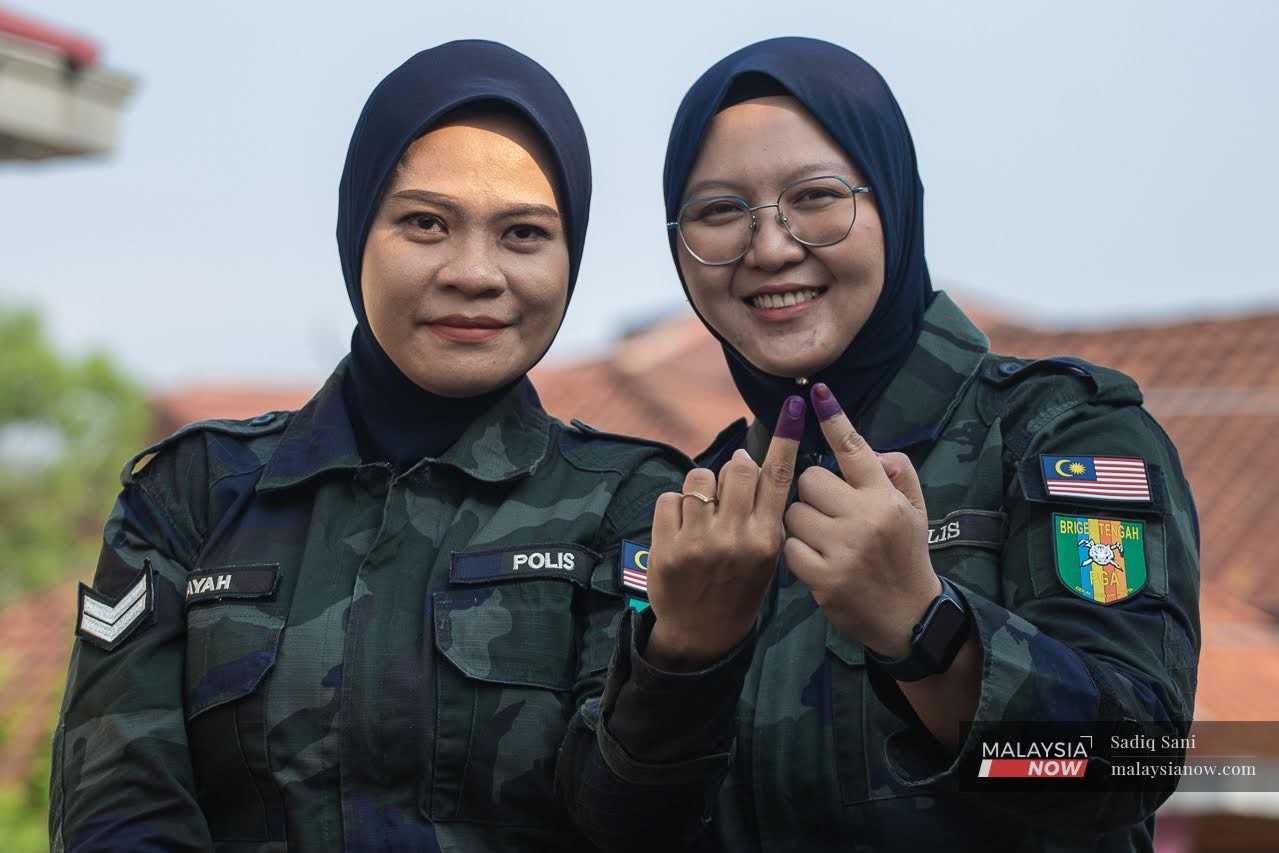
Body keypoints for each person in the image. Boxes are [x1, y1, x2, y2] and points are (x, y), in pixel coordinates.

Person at [49, 40, 697, 852]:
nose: (474, 271)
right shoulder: (194, 496)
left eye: (524, 234)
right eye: (425, 223)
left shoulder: (638, 505)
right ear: (358, 231)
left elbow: (640, 816)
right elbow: (118, 809)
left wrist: (680, 659)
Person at [563, 37, 1200, 852]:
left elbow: (1129, 759)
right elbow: (605, 829)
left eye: (815, 196)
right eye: (719, 211)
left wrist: (925, 628)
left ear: (892, 202)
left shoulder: (1059, 435)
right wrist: (682, 658)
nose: (769, 247)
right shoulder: (682, 511)